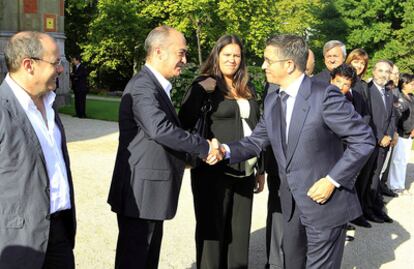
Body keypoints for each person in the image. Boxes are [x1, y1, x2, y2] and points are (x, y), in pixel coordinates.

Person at [220, 34, 375, 269]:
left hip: (326, 206)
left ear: (289, 65)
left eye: (267, 60)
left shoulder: (325, 95)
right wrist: (223, 150)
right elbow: (256, 140)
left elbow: (364, 139)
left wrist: (332, 180)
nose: (263, 66)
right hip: (291, 209)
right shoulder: (273, 98)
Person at [107, 26, 221, 269]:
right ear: (159, 52)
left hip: (149, 192)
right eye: (181, 53)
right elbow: (160, 129)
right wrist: (203, 147)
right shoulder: (143, 87)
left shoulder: (154, 85)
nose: (185, 60)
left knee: (146, 259)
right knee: (136, 259)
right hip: (141, 194)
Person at [179, 34, 265, 269]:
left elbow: (259, 130)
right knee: (212, 232)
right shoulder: (205, 84)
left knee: (239, 233)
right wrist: (199, 90)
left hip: (245, 171)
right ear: (217, 55)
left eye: (237, 55)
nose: (232, 59)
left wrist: (261, 169)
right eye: (227, 54)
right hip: (213, 170)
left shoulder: (248, 86)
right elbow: (184, 122)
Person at [0, 31, 76, 269]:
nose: (61, 68)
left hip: (60, 232)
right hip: (19, 240)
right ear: (28, 65)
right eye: (56, 62)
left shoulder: (49, 104)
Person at [362, 60, 396, 224]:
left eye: (387, 72)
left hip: (384, 144)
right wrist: (379, 136)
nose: (384, 74)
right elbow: (367, 118)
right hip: (371, 142)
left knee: (376, 177)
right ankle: (365, 210)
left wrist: (389, 135)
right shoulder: (367, 91)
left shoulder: (389, 93)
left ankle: (374, 207)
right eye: (381, 71)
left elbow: (391, 117)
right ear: (374, 72)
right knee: (366, 178)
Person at [388, 73, 414, 194]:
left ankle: (400, 184)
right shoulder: (398, 97)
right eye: (411, 84)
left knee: (403, 160)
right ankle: (394, 185)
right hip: (401, 133)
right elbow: (396, 115)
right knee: (397, 161)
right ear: (404, 84)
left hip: (410, 134)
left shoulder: (411, 97)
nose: (413, 86)